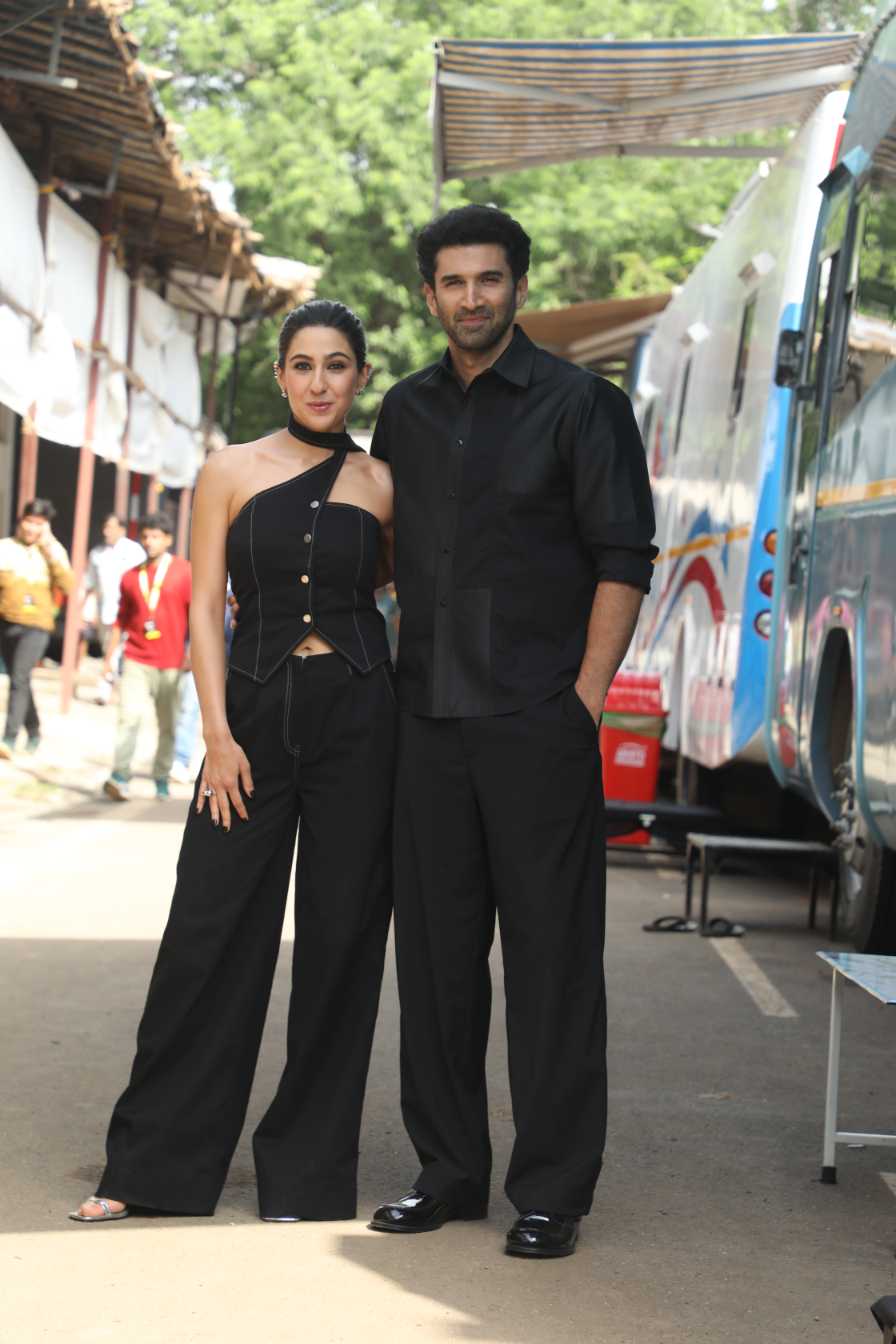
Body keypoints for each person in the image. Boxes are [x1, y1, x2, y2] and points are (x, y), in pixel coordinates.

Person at [367, 205, 657, 1259]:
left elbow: (623, 556)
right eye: (452, 282)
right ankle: (447, 1172)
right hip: (426, 722)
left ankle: (551, 1192)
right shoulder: (401, 411)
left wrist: (583, 700)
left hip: (538, 719)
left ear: (519, 287)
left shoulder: (584, 406)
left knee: (551, 965)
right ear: (429, 295)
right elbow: (384, 552)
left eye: (488, 279)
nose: (471, 298)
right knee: (437, 964)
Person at [71, 299, 396, 1224]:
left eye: (338, 365)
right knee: (208, 935)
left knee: (341, 941)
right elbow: (207, 609)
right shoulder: (228, 469)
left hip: (358, 720)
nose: (320, 382)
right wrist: (216, 733)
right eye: (304, 365)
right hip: (247, 718)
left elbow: (393, 587)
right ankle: (152, 1170)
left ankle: (307, 1177)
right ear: (280, 375)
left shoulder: (383, 482)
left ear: (360, 376)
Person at [101, 514, 191, 801]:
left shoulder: (184, 572)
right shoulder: (130, 577)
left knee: (168, 724)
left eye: (156, 537)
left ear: (168, 539)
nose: (150, 542)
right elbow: (120, 621)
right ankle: (119, 776)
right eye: (145, 537)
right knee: (129, 717)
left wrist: (192, 653)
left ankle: (161, 777)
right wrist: (108, 658)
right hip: (136, 659)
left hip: (172, 663)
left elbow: (198, 616)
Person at [0, 498, 73, 758]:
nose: (32, 528)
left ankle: (8, 738)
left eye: (38, 523)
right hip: (7, 622)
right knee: (19, 679)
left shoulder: (54, 551)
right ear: (21, 521)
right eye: (29, 521)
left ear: (46, 526)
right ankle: (34, 730)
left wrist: (49, 548)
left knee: (19, 678)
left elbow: (69, 585)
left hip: (37, 627)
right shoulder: (6, 548)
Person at [84, 513, 145, 704]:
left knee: (119, 652)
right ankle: (111, 687)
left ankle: (107, 690)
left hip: (129, 612)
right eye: (105, 527)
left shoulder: (134, 552)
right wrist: (89, 609)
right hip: (105, 611)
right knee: (108, 650)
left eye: (111, 527)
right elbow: (91, 583)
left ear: (122, 529)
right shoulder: (97, 553)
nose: (106, 531)